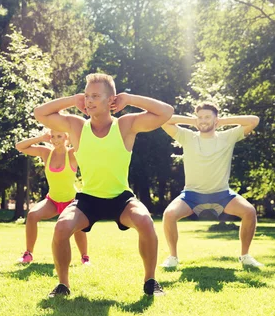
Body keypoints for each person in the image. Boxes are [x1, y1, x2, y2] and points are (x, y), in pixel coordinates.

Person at [34, 73, 173, 297]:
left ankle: (150, 281)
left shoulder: (126, 125)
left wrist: (129, 99)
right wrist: (73, 99)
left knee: (145, 221)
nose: (89, 101)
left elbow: (166, 112)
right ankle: (63, 285)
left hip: (120, 197)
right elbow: (40, 113)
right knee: (61, 227)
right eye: (87, 95)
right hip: (88, 198)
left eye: (95, 96)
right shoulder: (76, 126)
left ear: (111, 100)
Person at [160, 102, 262, 268]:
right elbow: (164, 121)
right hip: (192, 194)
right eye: (200, 117)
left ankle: (245, 256)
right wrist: (192, 121)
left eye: (207, 117)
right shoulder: (187, 136)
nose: (203, 120)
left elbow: (253, 120)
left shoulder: (227, 137)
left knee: (249, 211)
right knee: (169, 215)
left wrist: (222, 121)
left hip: (222, 194)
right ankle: (173, 257)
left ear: (216, 119)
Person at [15, 130, 90, 265]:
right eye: (53, 136)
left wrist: (74, 136)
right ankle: (28, 254)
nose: (55, 140)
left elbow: (88, 145)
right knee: (32, 215)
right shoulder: (46, 153)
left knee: (78, 226)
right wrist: (41, 138)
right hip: (53, 201)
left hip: (71, 201)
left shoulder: (72, 154)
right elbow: (20, 146)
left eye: (59, 136)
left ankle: (85, 257)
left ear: (66, 137)